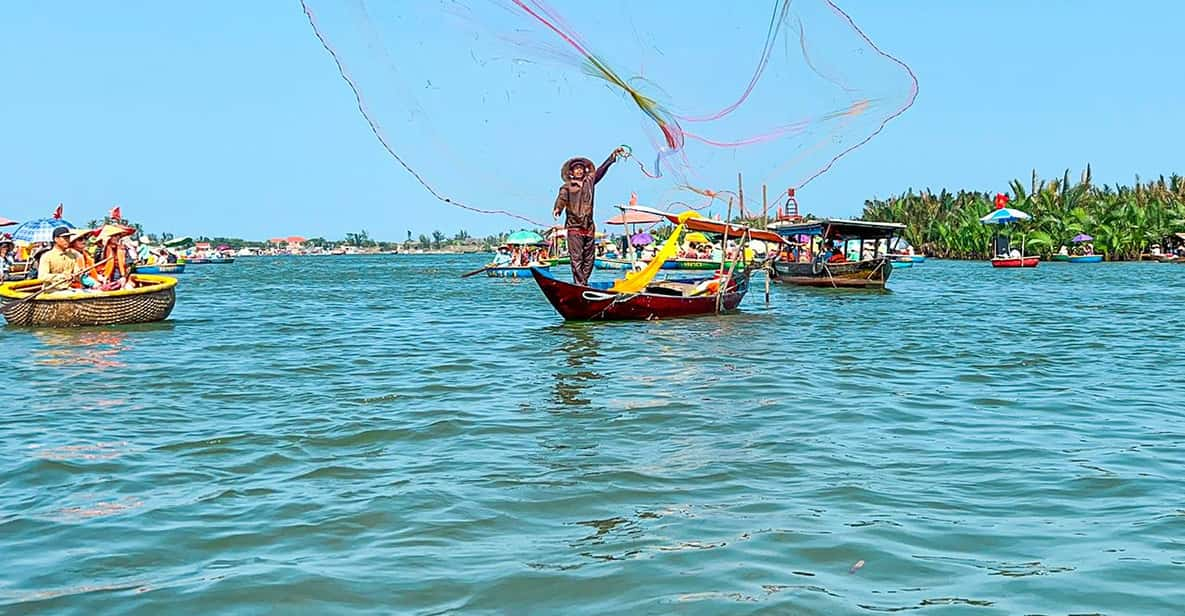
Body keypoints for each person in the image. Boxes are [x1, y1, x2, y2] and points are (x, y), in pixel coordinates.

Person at [552, 147, 626, 286]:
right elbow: (561, 199)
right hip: (574, 227)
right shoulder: (567, 187)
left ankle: (583, 282)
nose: (579, 170)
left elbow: (600, 171)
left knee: (590, 259)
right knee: (576, 259)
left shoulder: (589, 183)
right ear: (571, 172)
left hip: (589, 227)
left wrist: (611, 158)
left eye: (581, 168)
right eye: (576, 168)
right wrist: (557, 209)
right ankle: (579, 284)